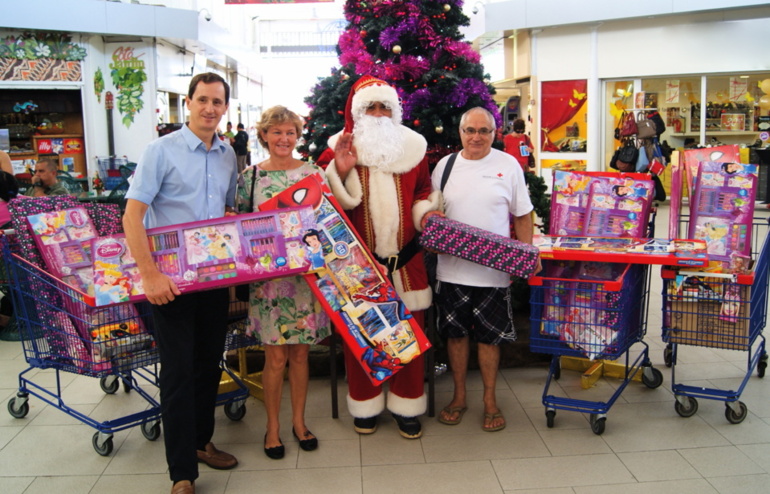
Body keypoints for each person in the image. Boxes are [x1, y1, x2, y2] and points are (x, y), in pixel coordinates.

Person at [122, 72, 238, 494]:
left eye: (217, 101)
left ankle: (201, 441)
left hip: (212, 281)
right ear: (188, 103)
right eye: (202, 99)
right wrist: (149, 274)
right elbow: (132, 216)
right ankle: (182, 473)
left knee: (209, 364)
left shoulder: (228, 155)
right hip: (168, 284)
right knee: (177, 373)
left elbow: (226, 213)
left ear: (225, 107)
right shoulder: (161, 151)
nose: (209, 108)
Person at [325, 76, 441, 439]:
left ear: (394, 112)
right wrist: (341, 170)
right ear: (358, 113)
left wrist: (427, 214)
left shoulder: (413, 148)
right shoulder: (340, 147)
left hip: (406, 262)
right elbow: (323, 204)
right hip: (358, 265)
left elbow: (423, 191)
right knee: (362, 338)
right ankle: (366, 404)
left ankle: (407, 404)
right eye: (370, 107)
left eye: (384, 107)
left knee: (410, 335)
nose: (378, 114)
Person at [432, 107, 541, 432]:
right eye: (470, 130)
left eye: (484, 131)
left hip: (494, 273)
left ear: (495, 133)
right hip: (451, 271)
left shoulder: (508, 165)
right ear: (460, 132)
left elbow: (522, 214)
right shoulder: (445, 166)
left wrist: (526, 255)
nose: (476, 137)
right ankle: (459, 397)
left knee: (490, 339)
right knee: (455, 337)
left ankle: (490, 401)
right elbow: (432, 213)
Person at [234, 105, 330, 460]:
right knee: (275, 358)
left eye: (290, 132)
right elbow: (239, 225)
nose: (284, 138)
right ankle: (272, 427)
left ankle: (299, 423)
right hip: (269, 283)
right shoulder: (250, 178)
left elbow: (326, 220)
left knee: (301, 355)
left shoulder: (313, 173)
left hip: (305, 280)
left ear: (297, 136)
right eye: (276, 132)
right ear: (264, 135)